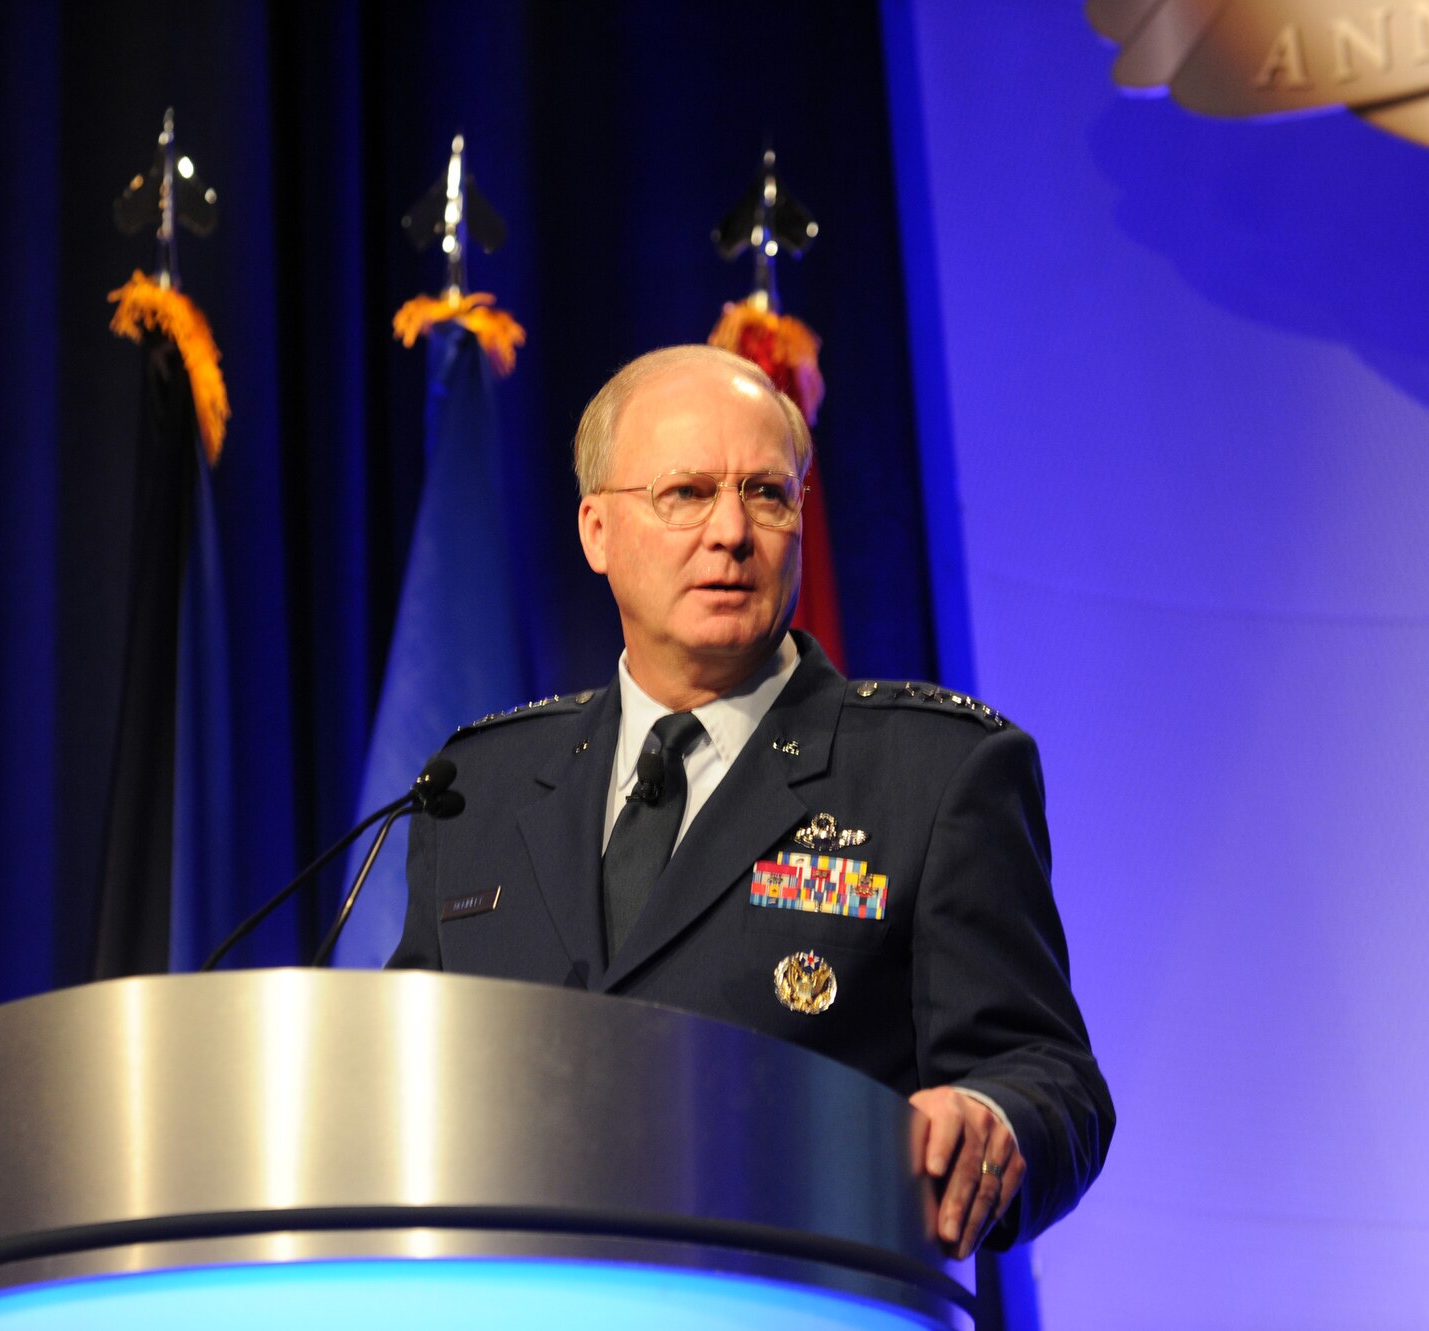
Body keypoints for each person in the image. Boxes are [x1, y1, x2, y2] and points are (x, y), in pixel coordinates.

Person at [389, 344, 1111, 1260]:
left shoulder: (936, 773)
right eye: (686, 492)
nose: (731, 531)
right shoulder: (477, 786)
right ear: (596, 532)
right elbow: (398, 1072)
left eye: (767, 494)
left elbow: (1051, 1077)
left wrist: (990, 1117)